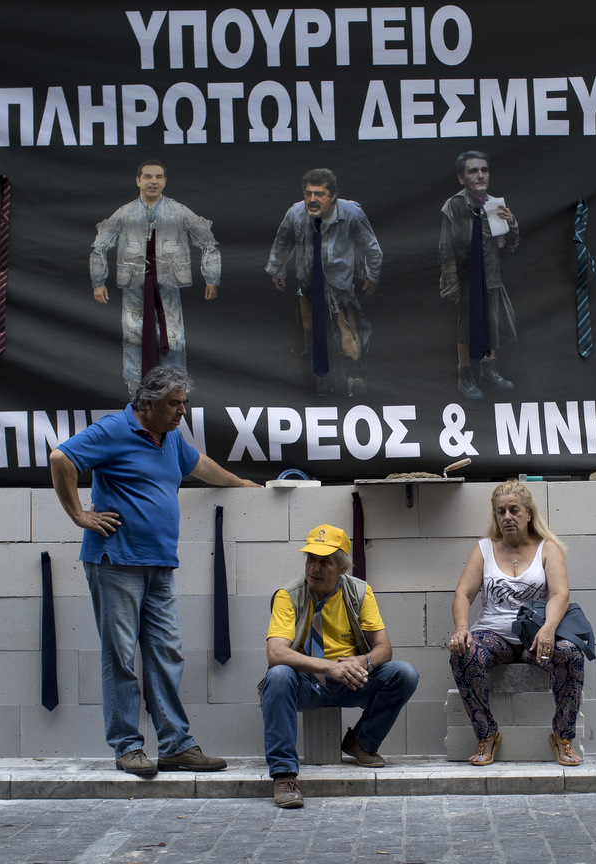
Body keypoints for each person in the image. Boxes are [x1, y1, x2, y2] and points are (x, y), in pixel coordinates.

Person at [48, 366, 259, 777]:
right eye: (173, 404)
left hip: (160, 564)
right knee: (121, 657)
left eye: (184, 403)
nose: (182, 412)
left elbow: (201, 467)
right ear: (147, 403)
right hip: (116, 562)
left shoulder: (171, 438)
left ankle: (176, 745)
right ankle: (128, 747)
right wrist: (79, 515)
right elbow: (61, 458)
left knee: (166, 654)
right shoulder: (114, 429)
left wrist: (244, 485)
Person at [260, 524, 419, 808]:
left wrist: (363, 660)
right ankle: (284, 775)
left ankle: (361, 742)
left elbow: (385, 648)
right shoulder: (288, 595)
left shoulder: (359, 592)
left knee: (404, 674)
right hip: (306, 683)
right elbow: (276, 653)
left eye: (324, 562)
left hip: (350, 681)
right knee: (278, 674)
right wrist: (328, 667)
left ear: (342, 568)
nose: (314, 568)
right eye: (311, 559)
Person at [447, 480, 584, 766]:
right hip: (492, 635)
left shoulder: (548, 548)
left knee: (571, 654)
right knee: (463, 653)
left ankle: (563, 736)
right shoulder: (485, 548)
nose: (507, 517)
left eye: (514, 510)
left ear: (528, 513)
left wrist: (548, 629)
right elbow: (463, 592)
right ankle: (487, 735)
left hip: (534, 635)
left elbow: (561, 594)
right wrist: (462, 628)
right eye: (501, 512)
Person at [90, 159, 221, 391]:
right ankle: (135, 387)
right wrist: (98, 281)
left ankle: (176, 385)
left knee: (173, 335)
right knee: (133, 335)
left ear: (165, 181)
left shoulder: (179, 211)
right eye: (148, 176)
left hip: (168, 283)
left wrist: (212, 277)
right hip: (134, 283)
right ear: (138, 180)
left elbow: (208, 242)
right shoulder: (125, 213)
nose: (153, 181)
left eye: (158, 177)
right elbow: (99, 246)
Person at [266, 168, 383, 397]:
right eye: (308, 193)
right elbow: (282, 241)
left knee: (347, 328)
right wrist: (276, 269)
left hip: (340, 283)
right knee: (310, 329)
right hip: (308, 281)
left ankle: (356, 378)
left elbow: (372, 248)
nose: (312, 199)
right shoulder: (296, 213)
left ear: (333, 196)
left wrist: (373, 275)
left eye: (319, 194)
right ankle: (323, 379)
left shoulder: (352, 214)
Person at [439, 150, 518, 400]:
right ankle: (465, 374)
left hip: (491, 276)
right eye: (473, 171)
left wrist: (512, 222)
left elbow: (510, 245)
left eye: (484, 170)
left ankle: (488, 370)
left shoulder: (495, 205)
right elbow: (446, 248)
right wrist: (452, 285)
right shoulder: (453, 206)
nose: (480, 175)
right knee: (466, 328)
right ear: (461, 178)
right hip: (466, 279)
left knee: (491, 325)